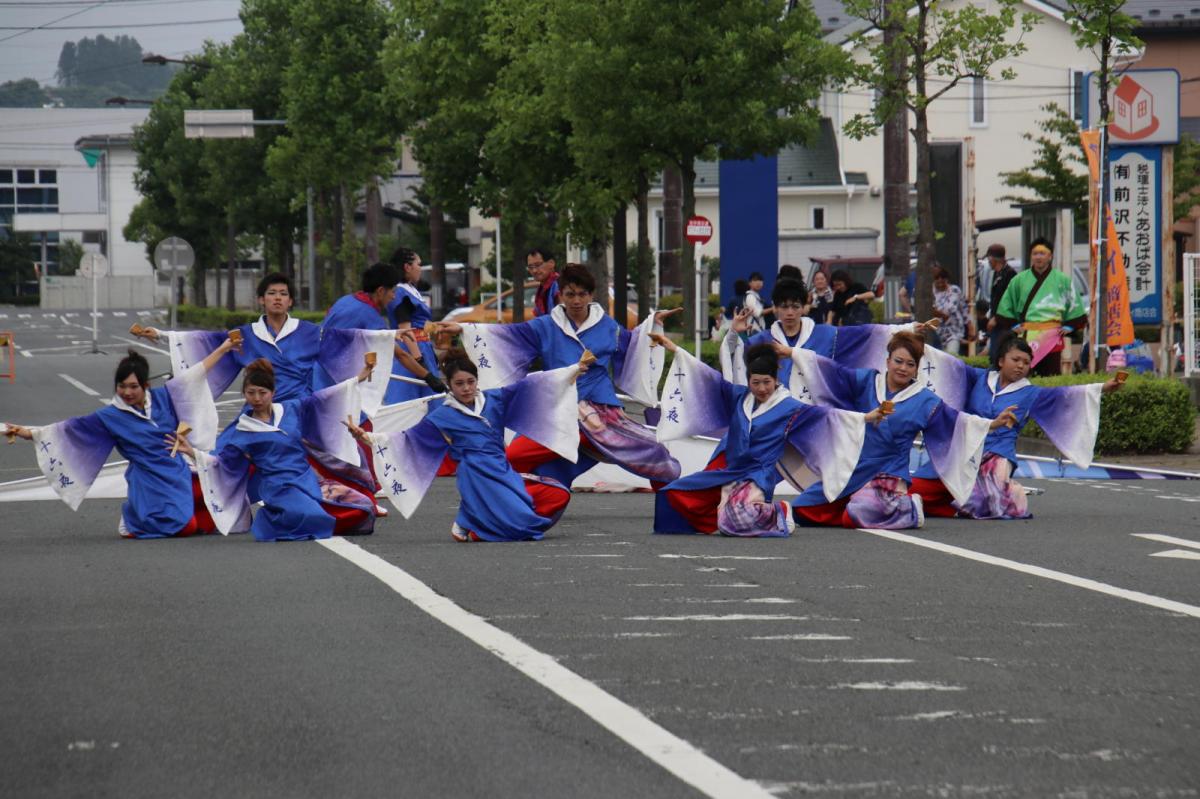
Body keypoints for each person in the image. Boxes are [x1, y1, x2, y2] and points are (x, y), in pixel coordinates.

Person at [439, 264, 681, 490]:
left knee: (655, 452)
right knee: (517, 458)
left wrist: (653, 326)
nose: (576, 300)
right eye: (570, 294)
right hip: (556, 408)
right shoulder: (544, 326)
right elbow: (509, 334)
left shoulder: (609, 327)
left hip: (601, 414)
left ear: (591, 295)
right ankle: (515, 505)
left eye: (582, 294)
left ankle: (674, 502)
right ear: (560, 295)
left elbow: (634, 347)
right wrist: (464, 328)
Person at [3, 342, 235, 538]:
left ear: (146, 386)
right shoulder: (110, 416)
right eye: (121, 386)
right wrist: (26, 432)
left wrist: (224, 349)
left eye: (134, 386)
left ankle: (176, 507)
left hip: (177, 470)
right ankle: (132, 519)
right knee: (185, 527)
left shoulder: (164, 397)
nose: (127, 392)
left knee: (211, 515)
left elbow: (195, 375)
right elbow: (69, 430)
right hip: (148, 478)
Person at [349, 349, 582, 542]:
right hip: (474, 473)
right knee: (523, 527)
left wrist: (572, 371)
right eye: (459, 383)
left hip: (502, 468)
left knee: (557, 494)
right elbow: (407, 438)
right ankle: (475, 522)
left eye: (471, 382)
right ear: (449, 385)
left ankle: (469, 518)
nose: (466, 388)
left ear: (477, 381)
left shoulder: (495, 399)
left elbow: (532, 386)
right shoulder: (443, 415)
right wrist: (367, 436)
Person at [651, 338, 872, 536]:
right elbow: (708, 378)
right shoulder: (739, 397)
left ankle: (778, 513)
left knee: (736, 518)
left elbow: (826, 416)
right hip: (731, 470)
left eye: (767, 382)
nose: (762, 388)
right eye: (755, 382)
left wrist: (865, 417)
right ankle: (724, 513)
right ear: (748, 381)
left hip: (758, 474)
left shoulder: (789, 407)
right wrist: (675, 349)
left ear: (776, 379)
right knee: (674, 493)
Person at [783, 331, 1003, 529]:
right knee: (802, 510)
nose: (903, 368)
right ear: (887, 361)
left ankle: (909, 509)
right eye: (898, 361)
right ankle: (865, 504)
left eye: (910, 364)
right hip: (856, 467)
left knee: (856, 514)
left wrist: (991, 424)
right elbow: (833, 373)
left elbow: (955, 422)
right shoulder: (867, 381)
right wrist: (793, 352)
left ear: (917, 368)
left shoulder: (925, 400)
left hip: (890, 470)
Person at [909, 334, 1123, 519]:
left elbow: (1066, 395)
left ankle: (1008, 493)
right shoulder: (979, 377)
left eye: (1026, 362)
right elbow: (949, 365)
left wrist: (1104, 387)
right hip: (964, 448)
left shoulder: (1031, 393)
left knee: (985, 500)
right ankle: (953, 504)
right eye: (1016, 359)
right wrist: (917, 343)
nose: (1021, 366)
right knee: (914, 491)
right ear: (1001, 360)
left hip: (997, 454)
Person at [174, 358, 377, 541]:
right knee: (311, 515)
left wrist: (358, 378)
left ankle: (303, 515)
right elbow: (223, 464)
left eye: (263, 393)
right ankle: (272, 518)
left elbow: (325, 399)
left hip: (309, 480)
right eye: (251, 393)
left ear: (273, 393)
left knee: (363, 506)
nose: (257, 398)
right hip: (279, 487)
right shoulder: (243, 431)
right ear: (244, 394)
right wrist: (192, 452)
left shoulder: (292, 409)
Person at [132, 272, 321, 403]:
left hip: (300, 410)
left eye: (283, 294)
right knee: (227, 453)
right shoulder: (246, 335)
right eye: (271, 293)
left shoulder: (311, 332)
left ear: (291, 301)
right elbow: (207, 340)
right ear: (261, 300)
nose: (277, 298)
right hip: (259, 409)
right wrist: (160, 335)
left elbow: (343, 347)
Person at [719, 278, 836, 391]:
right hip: (774, 408)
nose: (790, 313)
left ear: (804, 307)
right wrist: (733, 333)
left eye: (795, 306)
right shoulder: (761, 340)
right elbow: (734, 356)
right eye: (784, 307)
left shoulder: (825, 335)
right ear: (775, 308)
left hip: (813, 408)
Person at [994, 237, 1088, 376]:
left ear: (1050, 256)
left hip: (1052, 336)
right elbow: (1006, 305)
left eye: (1042, 253)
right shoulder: (1019, 280)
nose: (1038, 257)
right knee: (1025, 375)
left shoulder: (1062, 280)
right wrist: (1013, 324)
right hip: (1027, 335)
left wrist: (1069, 326)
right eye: (1035, 253)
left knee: (1051, 376)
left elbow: (1075, 307)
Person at [385, 247, 444, 404]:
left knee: (429, 399)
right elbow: (406, 329)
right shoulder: (400, 292)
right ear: (407, 267)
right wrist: (419, 362)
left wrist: (436, 329)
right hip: (411, 350)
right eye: (419, 264)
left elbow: (418, 321)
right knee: (410, 400)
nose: (420, 268)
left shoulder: (410, 289)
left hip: (421, 347)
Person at [983, 243, 1017, 362]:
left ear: (992, 258)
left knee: (999, 355)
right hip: (997, 323)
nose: (988, 262)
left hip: (1005, 323)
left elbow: (1009, 300)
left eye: (988, 259)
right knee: (994, 356)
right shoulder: (997, 274)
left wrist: (996, 318)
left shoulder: (1010, 274)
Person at [931, 265, 972, 355]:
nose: (940, 279)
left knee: (951, 357)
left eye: (943, 277)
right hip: (937, 334)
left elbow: (964, 309)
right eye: (937, 277)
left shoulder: (955, 290)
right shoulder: (930, 293)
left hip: (954, 332)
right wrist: (942, 315)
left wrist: (970, 328)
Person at [528, 248, 560, 317]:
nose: (534, 271)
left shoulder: (560, 285)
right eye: (530, 267)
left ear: (551, 263)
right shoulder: (542, 288)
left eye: (538, 265)